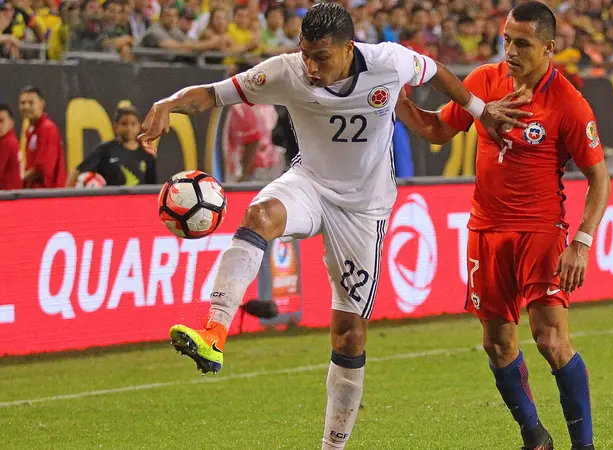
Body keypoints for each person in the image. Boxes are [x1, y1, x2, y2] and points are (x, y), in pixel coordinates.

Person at [136, 4, 515, 449]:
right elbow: (214, 94)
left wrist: (479, 109)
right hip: (310, 184)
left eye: (322, 57)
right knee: (259, 215)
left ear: (348, 48)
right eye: (306, 55)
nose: (311, 67)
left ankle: (332, 446)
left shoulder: (388, 61)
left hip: (364, 209)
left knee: (349, 333)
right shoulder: (286, 71)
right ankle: (214, 332)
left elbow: (437, 72)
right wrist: (168, 104)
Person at [395, 2, 610, 449]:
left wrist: (582, 242)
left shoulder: (568, 103)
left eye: (523, 43)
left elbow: (599, 179)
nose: (510, 50)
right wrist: (396, 101)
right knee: (497, 344)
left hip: (541, 233)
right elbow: (438, 131)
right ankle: (534, 436)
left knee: (551, 340)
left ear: (550, 47)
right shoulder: (483, 82)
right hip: (486, 231)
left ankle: (584, 446)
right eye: (506, 40)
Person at [67, 106, 156, 187]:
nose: (129, 128)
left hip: (137, 203)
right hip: (110, 203)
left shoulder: (146, 155)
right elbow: (76, 172)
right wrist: (67, 198)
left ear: (139, 127)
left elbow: (153, 186)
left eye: (133, 124)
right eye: (124, 124)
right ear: (115, 127)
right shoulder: (104, 150)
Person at [19, 86, 66, 189]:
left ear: (42, 104)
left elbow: (43, 168)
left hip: (47, 195)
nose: (26, 106)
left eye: (31, 103)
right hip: (35, 192)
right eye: (22, 103)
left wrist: (19, 179)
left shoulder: (47, 129)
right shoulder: (31, 130)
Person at [0, 104, 22, 191]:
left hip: (8, 197)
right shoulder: (11, 140)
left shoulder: (6, 143)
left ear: (11, 122)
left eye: (1, 121)